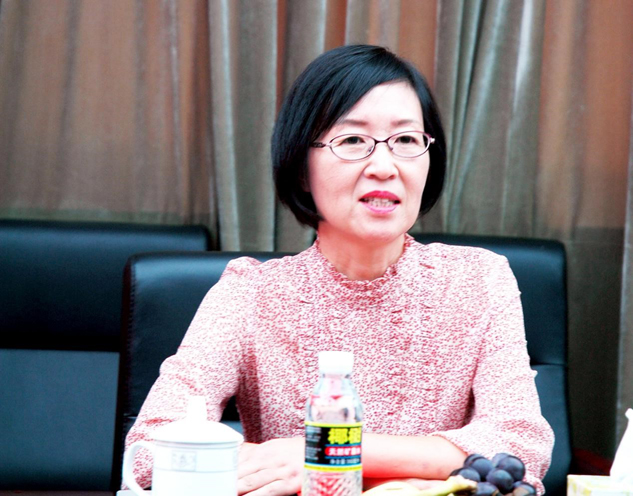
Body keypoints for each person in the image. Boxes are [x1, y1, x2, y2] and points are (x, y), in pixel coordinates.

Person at [124, 44, 554, 495]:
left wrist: (321, 451)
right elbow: (148, 451)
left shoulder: (480, 280)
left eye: (407, 140)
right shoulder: (250, 293)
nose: (384, 167)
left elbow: (520, 445)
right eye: (352, 141)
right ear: (301, 166)